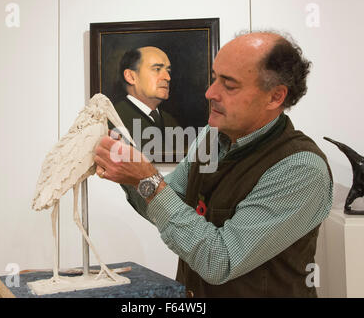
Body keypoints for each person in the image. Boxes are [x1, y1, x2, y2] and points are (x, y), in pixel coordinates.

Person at [94, 31, 333, 298]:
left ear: (275, 97)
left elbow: (220, 260)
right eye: (214, 78)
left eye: (229, 85)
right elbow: (163, 206)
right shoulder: (212, 139)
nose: (210, 92)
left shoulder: (301, 169)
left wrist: (145, 179)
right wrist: (126, 170)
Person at [110, 46, 179, 155]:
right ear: (131, 77)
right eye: (157, 69)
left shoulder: (170, 121)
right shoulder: (113, 120)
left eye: (168, 71)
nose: (167, 77)